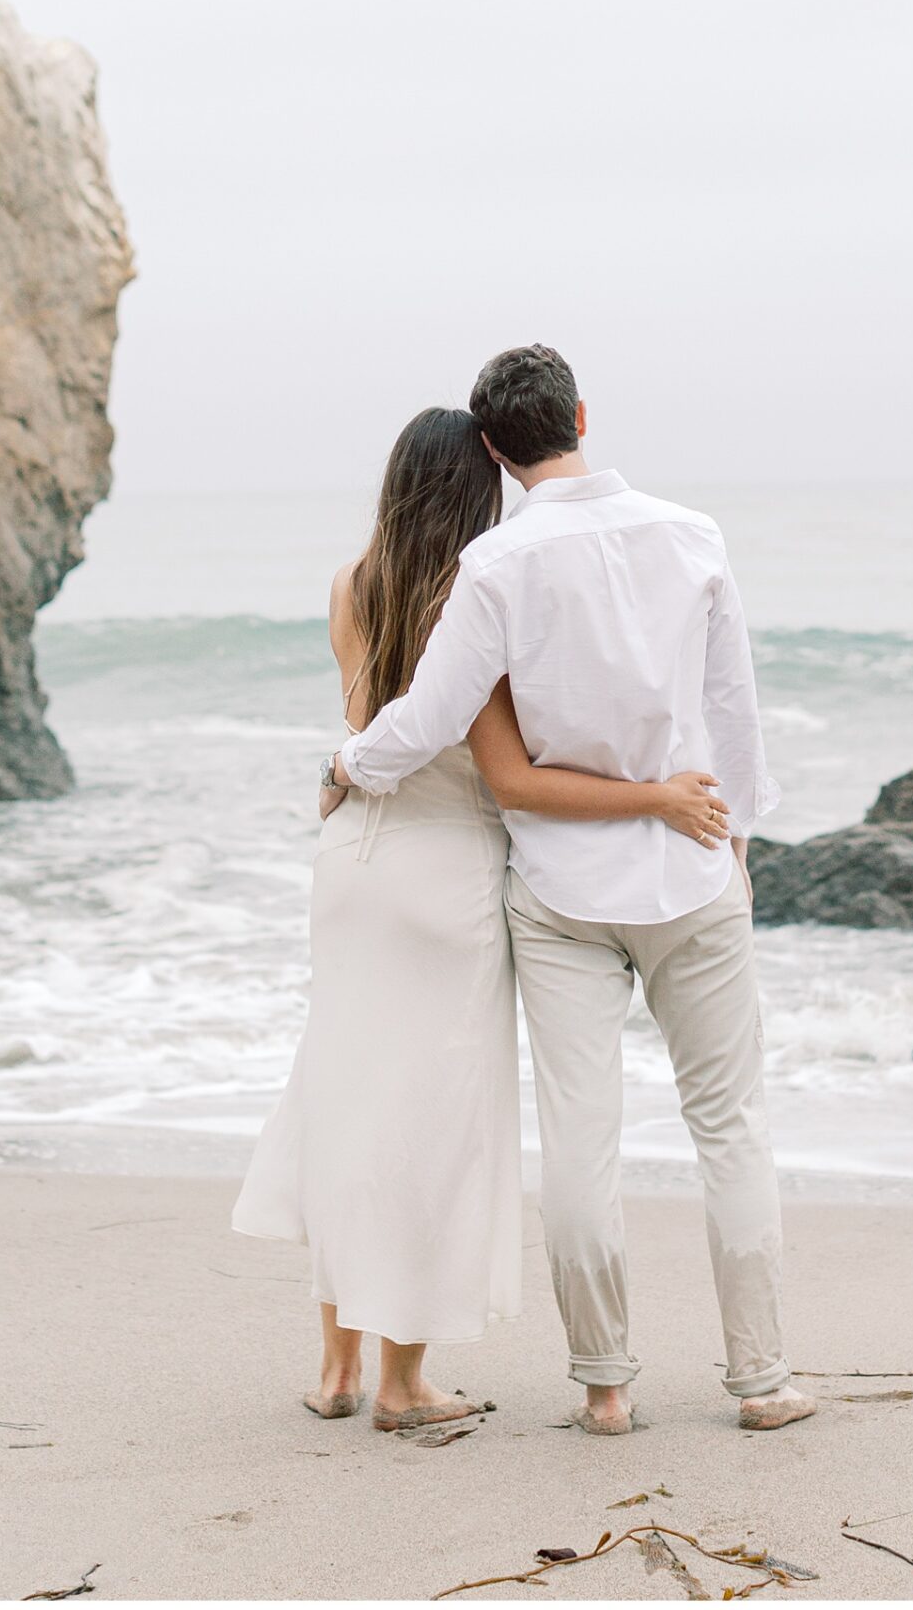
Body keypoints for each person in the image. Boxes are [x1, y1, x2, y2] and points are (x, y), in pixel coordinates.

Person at [333, 346, 816, 1436]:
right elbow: (733, 709)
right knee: (730, 1128)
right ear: (582, 416)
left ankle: (605, 1389)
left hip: (559, 890)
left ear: (493, 448)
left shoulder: (493, 565)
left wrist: (346, 764)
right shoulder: (690, 534)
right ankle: (761, 1382)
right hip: (690, 870)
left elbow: (427, 716)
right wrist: (738, 837)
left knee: (579, 1140)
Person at [231, 404, 731, 1430]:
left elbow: (367, 733)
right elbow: (505, 774)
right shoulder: (476, 596)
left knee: (344, 1100)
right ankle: (402, 1383)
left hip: (352, 862)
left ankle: (334, 1369)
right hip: (446, 874)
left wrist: (337, 772)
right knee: (429, 1127)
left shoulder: (351, 583)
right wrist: (655, 794)